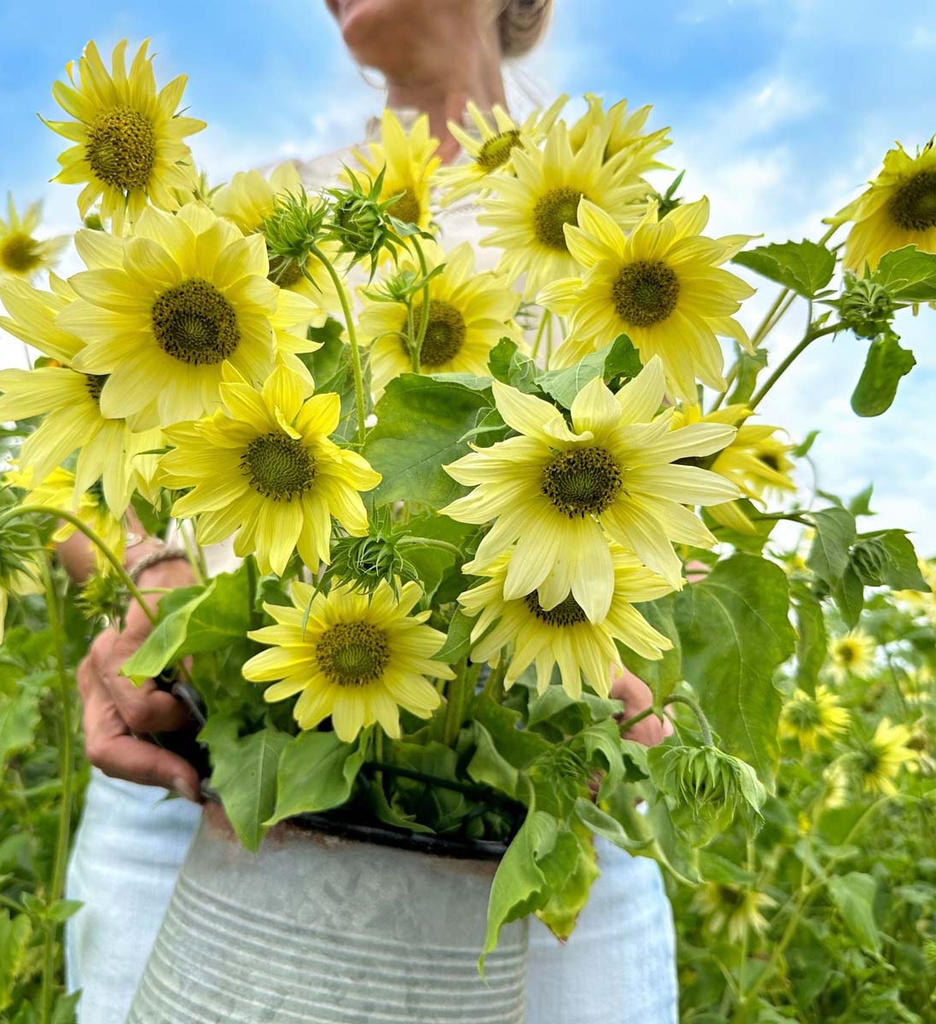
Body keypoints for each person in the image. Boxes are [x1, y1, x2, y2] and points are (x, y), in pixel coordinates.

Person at [62, 2, 679, 1021]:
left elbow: (672, 491)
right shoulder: (271, 209)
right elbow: (81, 472)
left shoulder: (615, 217)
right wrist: (150, 585)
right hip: (201, 756)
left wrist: (611, 631)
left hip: (538, 793)